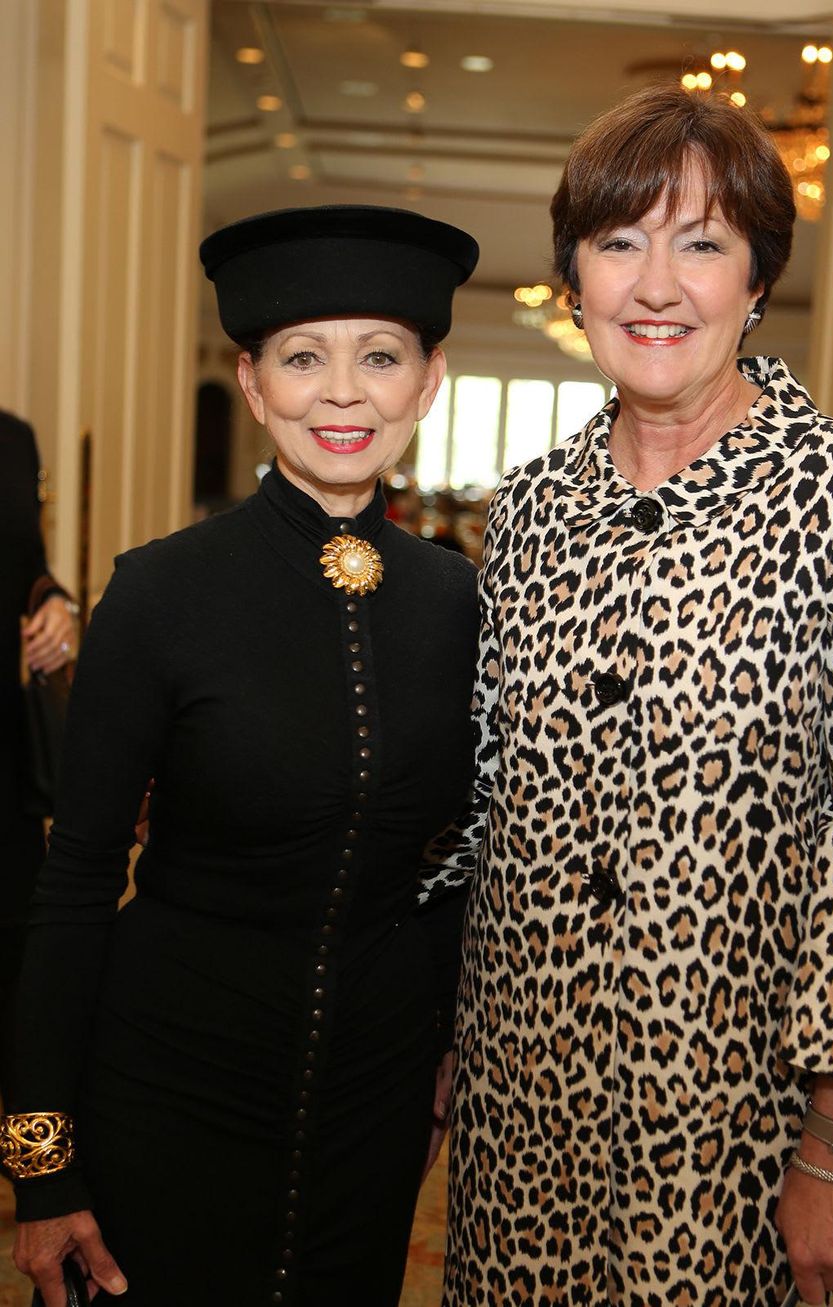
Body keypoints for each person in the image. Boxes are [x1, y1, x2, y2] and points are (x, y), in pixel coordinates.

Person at [427, 87, 833, 1306]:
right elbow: (484, 794)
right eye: (619, 242)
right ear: (572, 279)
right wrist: (446, 1029)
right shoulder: (532, 506)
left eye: (700, 242)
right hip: (525, 1100)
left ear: (756, 277)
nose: (655, 285)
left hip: (737, 1119)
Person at [2, 204, 480, 1307]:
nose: (344, 392)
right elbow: (73, 884)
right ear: (255, 382)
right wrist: (42, 1165)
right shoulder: (160, 590)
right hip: (168, 1084)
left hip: (372, 1101)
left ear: (428, 378)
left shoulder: (462, 602)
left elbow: (459, 865)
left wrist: (440, 1071)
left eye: (381, 356)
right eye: (304, 358)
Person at [0, 410, 77, 1099]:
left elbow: (27, 566)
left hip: (9, 770)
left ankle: (36, 1175)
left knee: (19, 980)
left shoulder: (13, 438)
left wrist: (54, 603)